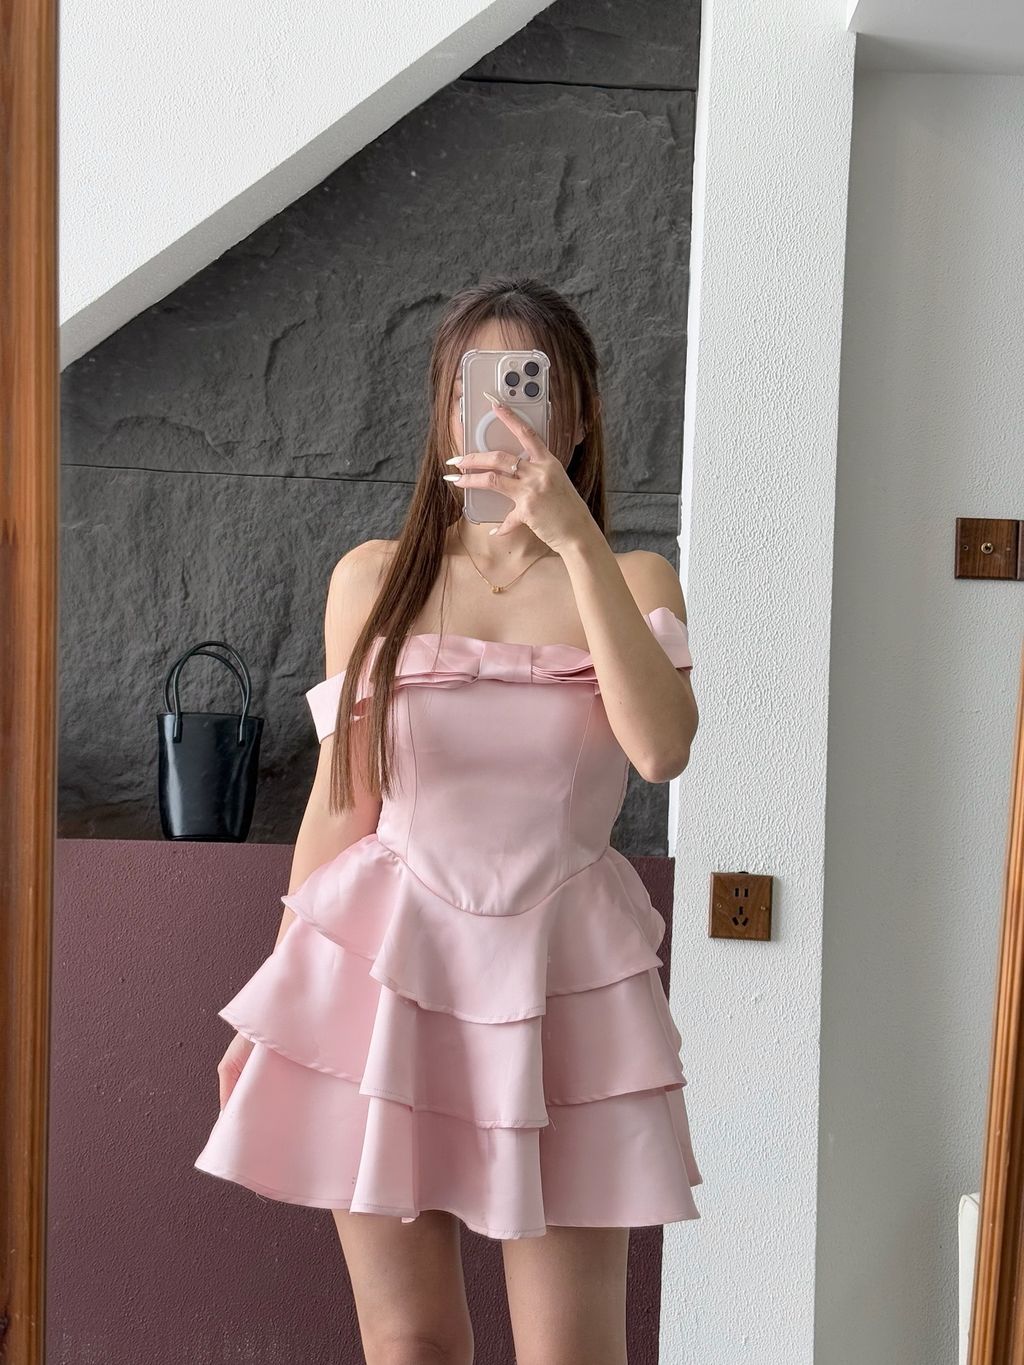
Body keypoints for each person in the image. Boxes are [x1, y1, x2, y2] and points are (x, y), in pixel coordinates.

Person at [194, 275, 702, 1365]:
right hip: (387, 971)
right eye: (482, 388)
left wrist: (574, 542)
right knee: (410, 1341)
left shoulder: (633, 574)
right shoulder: (373, 578)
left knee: (573, 1352)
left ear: (577, 414)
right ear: (444, 411)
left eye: (532, 387)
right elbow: (343, 801)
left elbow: (662, 750)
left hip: (562, 978)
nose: (506, 416)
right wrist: (273, 1003)